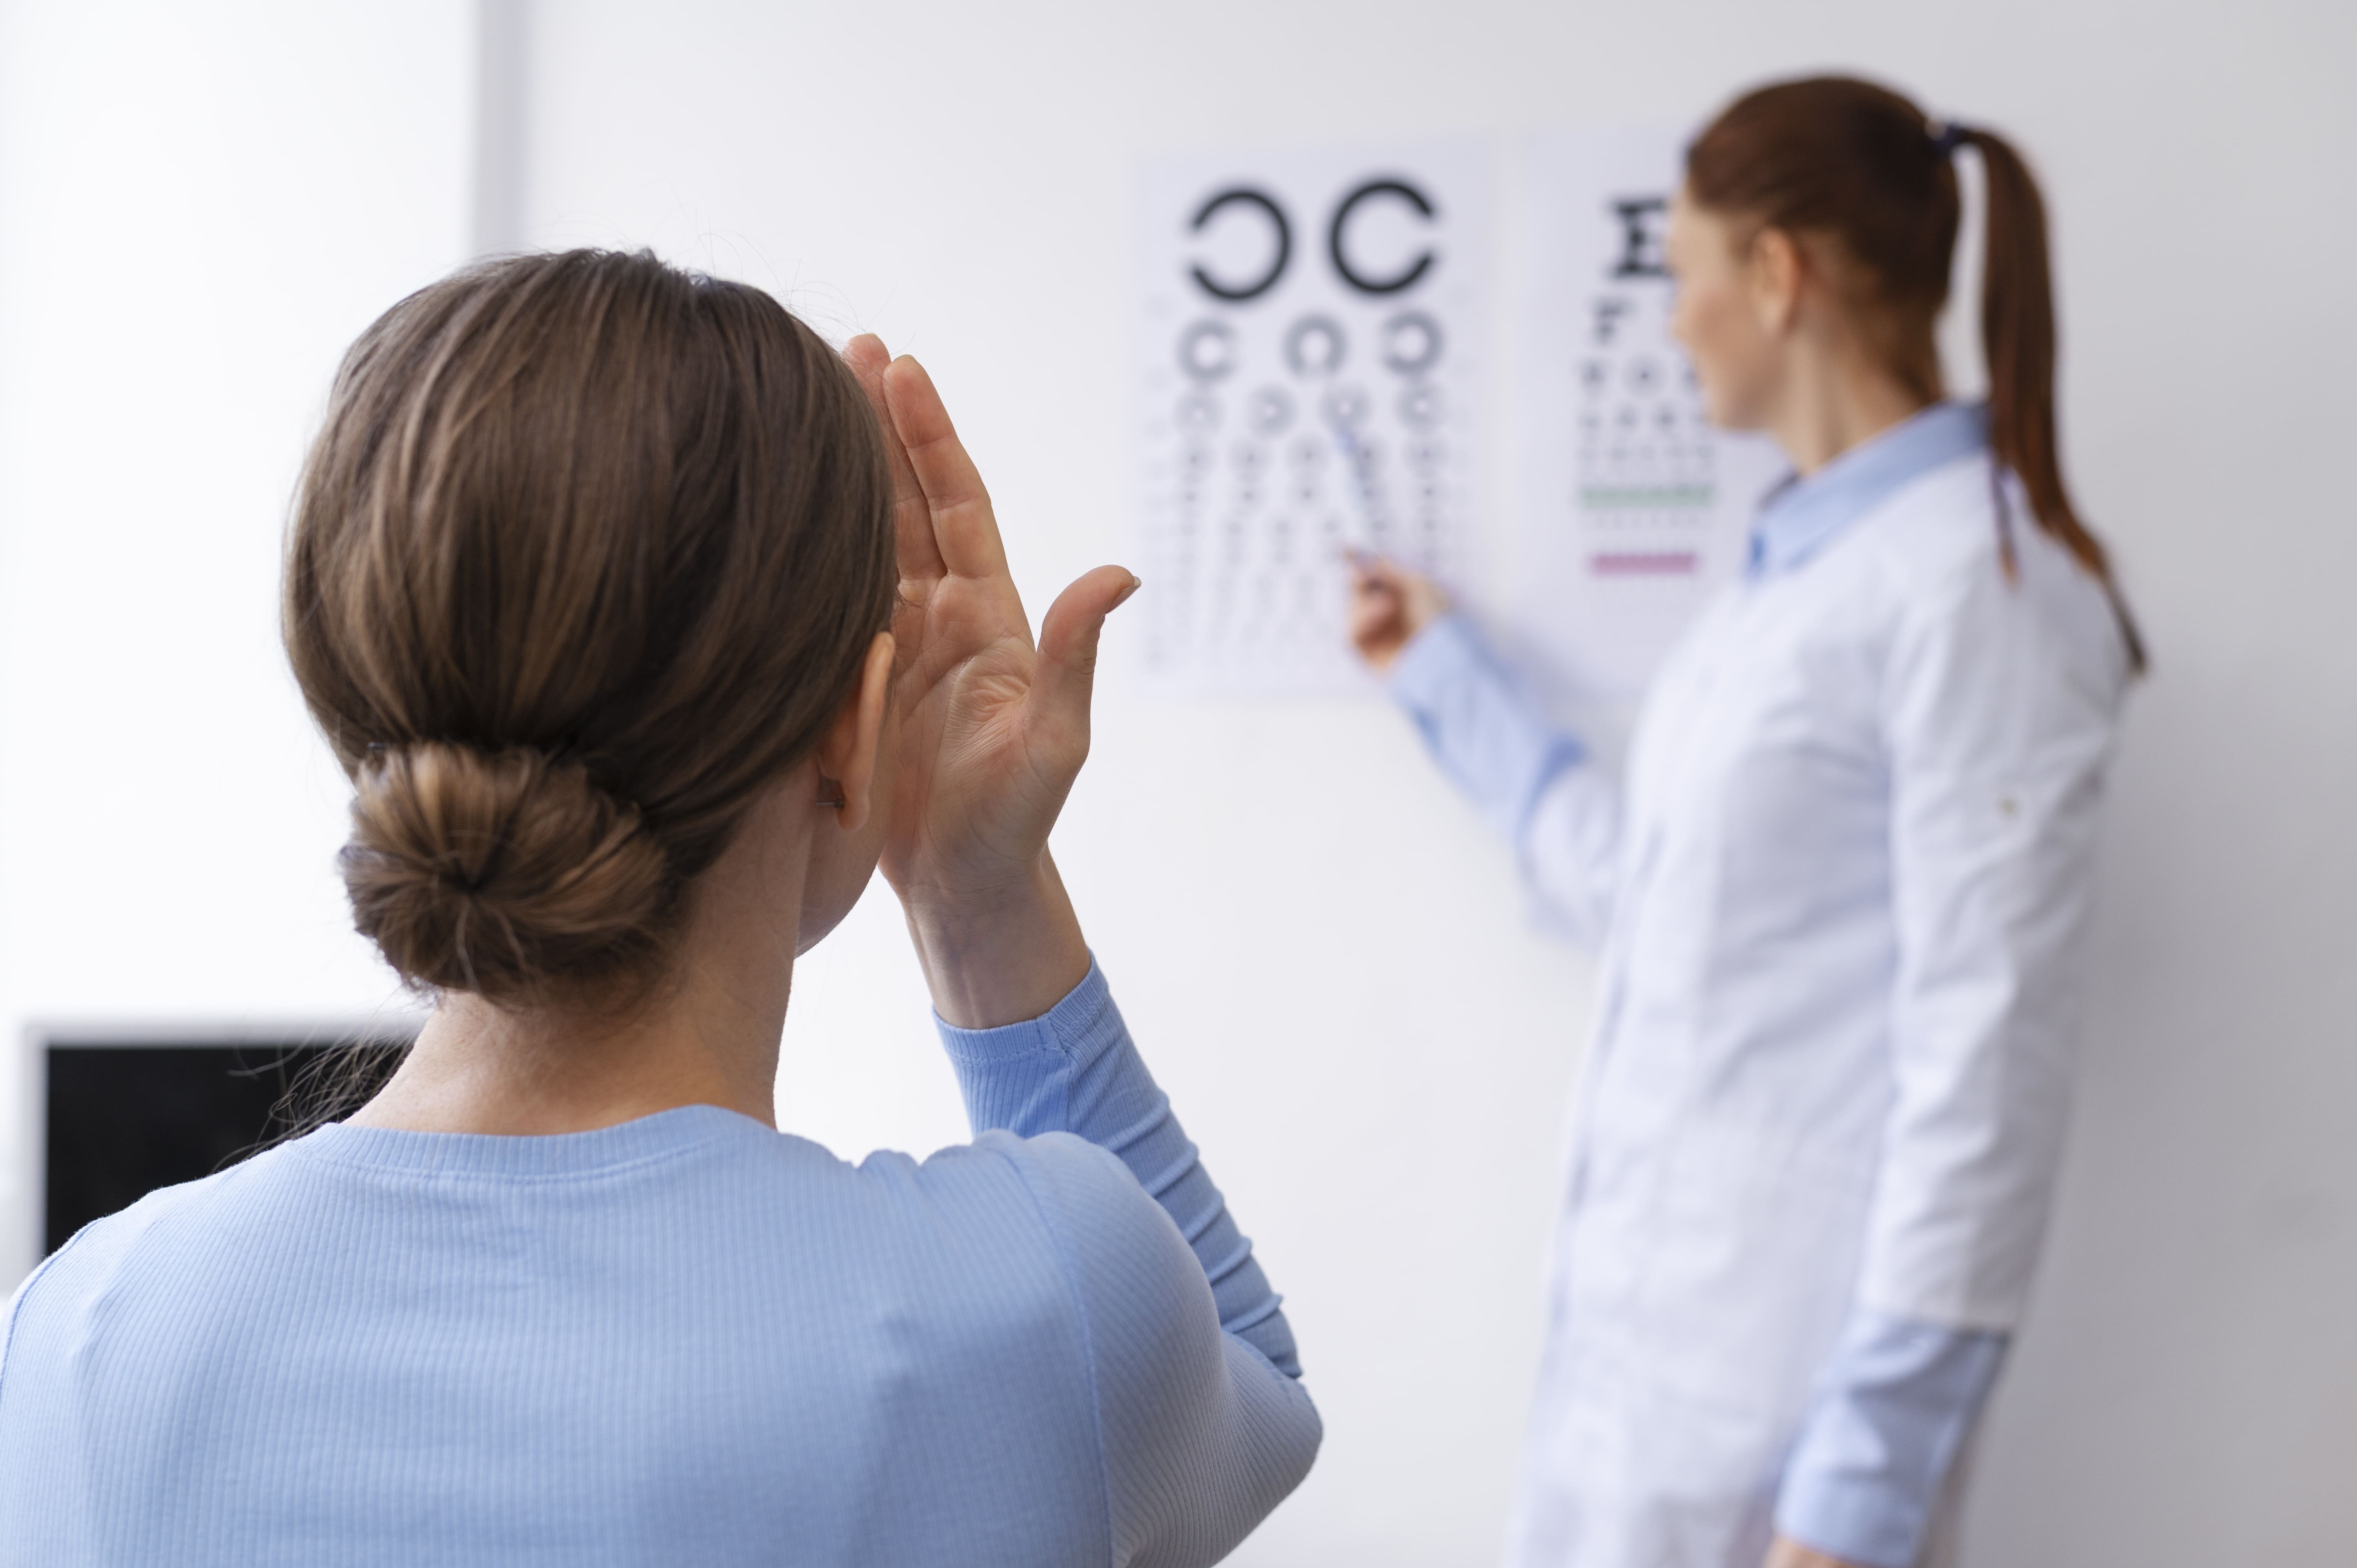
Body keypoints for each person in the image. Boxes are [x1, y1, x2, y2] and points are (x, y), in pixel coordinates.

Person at [0, 250, 1320, 1565]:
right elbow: (1244, 1386)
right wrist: (981, 903)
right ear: (853, 735)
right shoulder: (1047, 1306)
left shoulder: (77, 1339)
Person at [1350, 77, 2140, 1568]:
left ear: (1775, 278)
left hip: (1792, 1458)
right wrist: (1448, 677)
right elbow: (1651, 896)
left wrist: (1859, 1488)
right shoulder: (1786, 584)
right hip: (1648, 1396)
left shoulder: (1985, 591)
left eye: (1682, 277)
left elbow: (1992, 1069)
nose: (1671, 321)